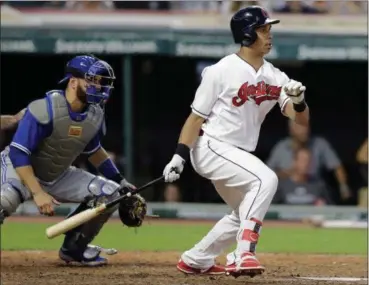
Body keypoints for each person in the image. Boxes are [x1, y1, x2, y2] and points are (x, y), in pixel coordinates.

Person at [162, 6, 310, 278]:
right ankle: (243, 254)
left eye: (269, 29)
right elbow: (195, 118)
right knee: (266, 179)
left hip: (237, 154)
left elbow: (300, 121)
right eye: (263, 29)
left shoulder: (275, 76)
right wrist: (179, 156)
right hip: (211, 146)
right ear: (246, 34)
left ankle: (196, 258)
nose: (269, 35)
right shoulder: (220, 71)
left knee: (242, 213)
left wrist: (298, 102)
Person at [0, 55, 147, 266]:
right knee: (5, 200)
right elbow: (18, 153)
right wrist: (38, 193)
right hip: (20, 169)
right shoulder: (44, 108)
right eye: (93, 80)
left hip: (57, 173)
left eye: (101, 81)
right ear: (73, 82)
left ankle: (74, 250)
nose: (99, 86)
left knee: (110, 194)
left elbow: (95, 152)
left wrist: (122, 182)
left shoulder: (95, 114)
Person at [267, 120, 351, 201]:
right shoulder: (281, 148)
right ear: (291, 130)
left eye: (306, 126)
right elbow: (267, 173)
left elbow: (336, 166)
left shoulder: (320, 144)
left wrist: (344, 187)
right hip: (286, 191)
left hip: (314, 189)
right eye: (300, 127)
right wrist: (290, 173)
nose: (305, 130)